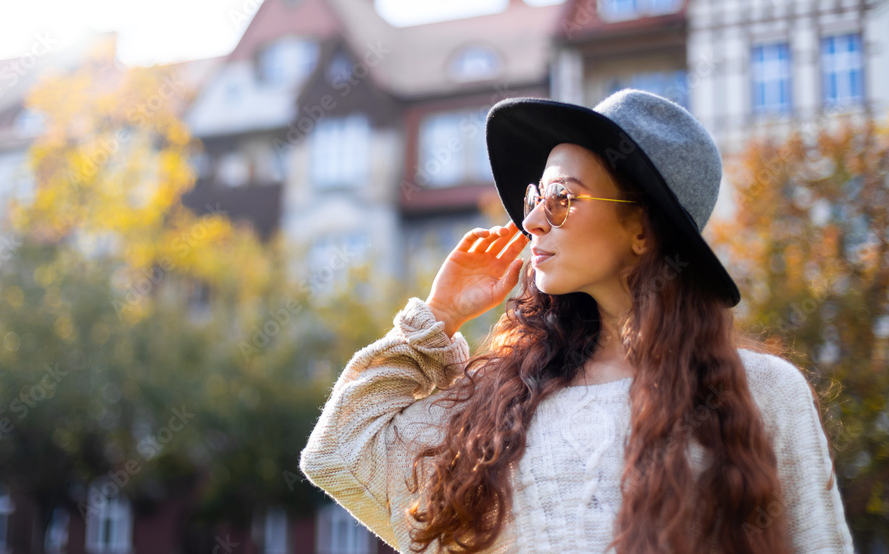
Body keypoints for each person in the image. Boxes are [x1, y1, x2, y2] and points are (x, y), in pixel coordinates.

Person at [299, 89, 854, 553]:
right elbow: (341, 452)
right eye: (537, 194)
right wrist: (438, 318)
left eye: (563, 197)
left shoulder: (763, 394)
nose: (533, 219)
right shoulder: (504, 401)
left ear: (642, 230)